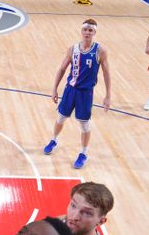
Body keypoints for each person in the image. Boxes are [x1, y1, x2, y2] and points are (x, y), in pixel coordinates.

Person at [43, 19, 112, 170]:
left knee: (84, 124)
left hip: (85, 93)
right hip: (70, 90)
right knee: (61, 117)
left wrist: (107, 95)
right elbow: (61, 69)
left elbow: (106, 73)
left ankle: (84, 153)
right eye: (85, 30)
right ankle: (54, 140)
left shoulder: (101, 51)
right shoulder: (73, 49)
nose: (87, 32)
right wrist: (54, 88)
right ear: (81, 31)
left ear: (95, 33)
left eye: (90, 30)